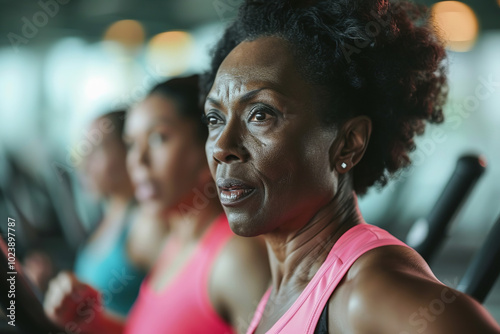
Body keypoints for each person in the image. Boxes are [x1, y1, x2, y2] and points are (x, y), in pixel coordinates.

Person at [202, 1, 500, 333]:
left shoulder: (367, 293)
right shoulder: (280, 292)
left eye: (261, 115)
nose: (222, 148)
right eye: (215, 119)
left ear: (349, 143)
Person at [45, 75, 271, 334]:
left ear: (209, 146)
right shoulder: (174, 244)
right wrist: (93, 322)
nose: (138, 160)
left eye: (158, 139)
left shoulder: (234, 259)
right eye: (131, 144)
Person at [44, 111, 148, 318]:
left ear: (128, 150)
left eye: (97, 150)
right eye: (83, 151)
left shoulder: (145, 224)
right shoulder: (106, 219)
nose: (83, 164)